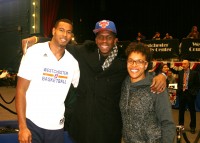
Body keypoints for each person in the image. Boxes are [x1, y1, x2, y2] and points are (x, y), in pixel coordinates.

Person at [21, 19, 167, 143]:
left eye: (109, 37)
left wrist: (162, 76)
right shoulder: (84, 51)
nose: (104, 41)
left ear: (115, 40)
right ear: (96, 39)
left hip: (109, 130)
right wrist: (37, 39)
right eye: (100, 37)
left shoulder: (124, 60)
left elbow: (143, 66)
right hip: (83, 127)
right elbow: (60, 42)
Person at [15, 19, 80, 143]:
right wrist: (22, 127)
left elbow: (76, 90)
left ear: (71, 36)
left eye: (68, 32)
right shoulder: (34, 52)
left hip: (56, 127)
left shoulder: (73, 63)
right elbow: (20, 90)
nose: (65, 35)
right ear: (53, 31)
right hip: (32, 123)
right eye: (61, 30)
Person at [120, 42, 176, 143]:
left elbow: (167, 123)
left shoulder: (156, 86)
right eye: (130, 61)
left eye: (139, 61)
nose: (134, 65)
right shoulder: (124, 83)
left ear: (146, 65)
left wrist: (163, 75)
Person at [176, 60, 200, 134]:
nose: (183, 65)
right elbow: (179, 82)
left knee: (192, 111)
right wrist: (179, 91)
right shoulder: (180, 72)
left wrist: (194, 93)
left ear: (188, 65)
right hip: (182, 94)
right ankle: (181, 126)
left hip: (190, 94)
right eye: (182, 63)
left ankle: (192, 127)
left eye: (185, 63)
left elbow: (198, 84)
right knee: (181, 111)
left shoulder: (194, 73)